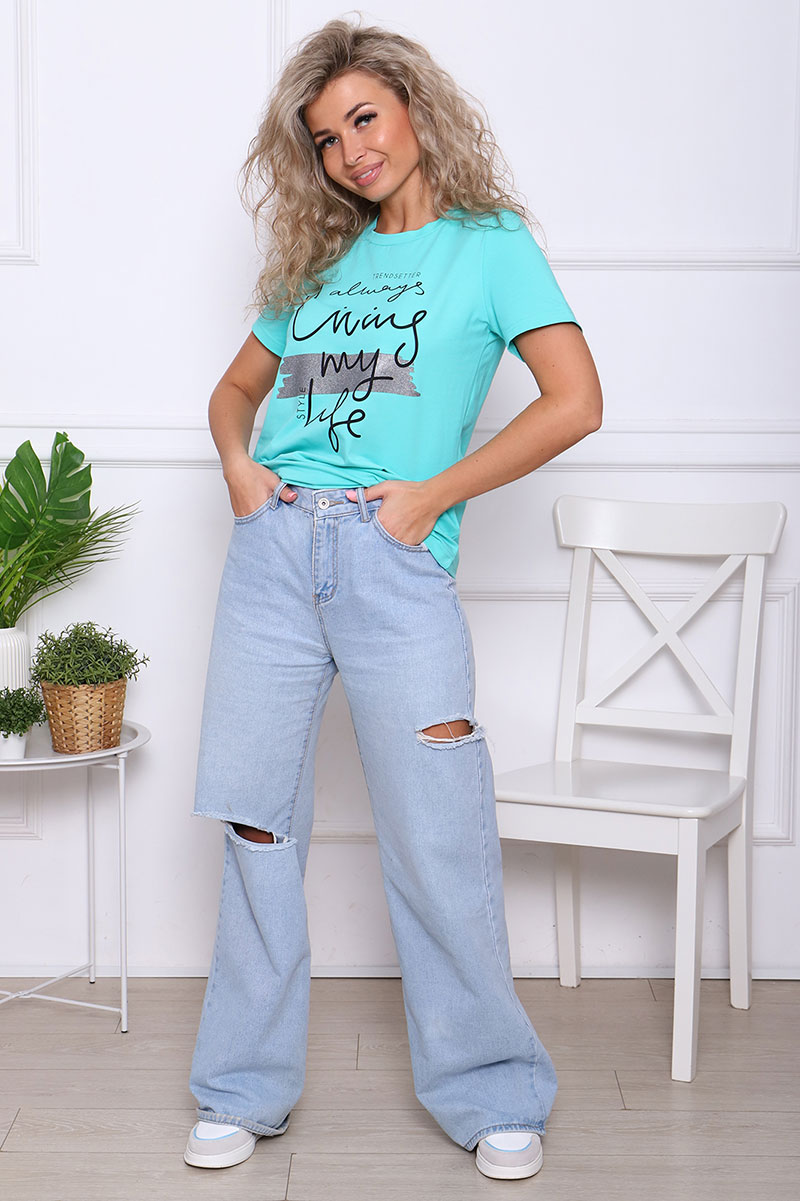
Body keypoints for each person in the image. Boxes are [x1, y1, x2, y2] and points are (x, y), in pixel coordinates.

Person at [183, 16, 602, 1182]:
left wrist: (430, 497)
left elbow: (574, 401)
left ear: (415, 108)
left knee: (435, 832)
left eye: (363, 119)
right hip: (273, 557)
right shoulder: (319, 260)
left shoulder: (490, 244)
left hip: (390, 556)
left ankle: (491, 1088)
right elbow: (232, 391)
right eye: (325, 139)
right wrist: (239, 468)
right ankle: (241, 1088)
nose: (349, 152)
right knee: (257, 826)